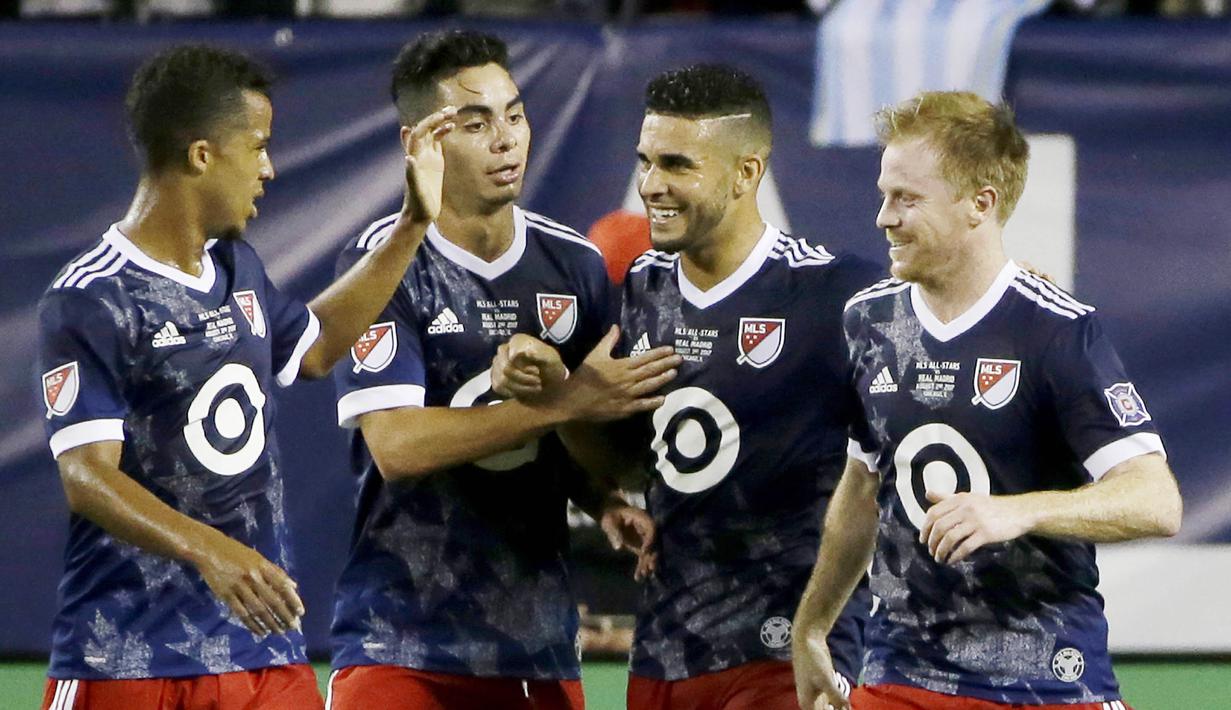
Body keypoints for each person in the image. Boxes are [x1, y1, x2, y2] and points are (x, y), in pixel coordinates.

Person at [35, 44, 456, 709]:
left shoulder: (239, 268)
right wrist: (212, 551)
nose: (269, 168)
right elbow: (88, 477)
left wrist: (412, 224)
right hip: (123, 655)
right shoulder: (90, 297)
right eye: (257, 146)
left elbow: (315, 348)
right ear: (202, 155)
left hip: (260, 650)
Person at [492, 64, 880, 710]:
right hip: (665, 651)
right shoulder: (642, 288)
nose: (650, 186)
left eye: (676, 165)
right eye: (644, 162)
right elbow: (624, 463)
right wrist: (563, 397)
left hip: (786, 655)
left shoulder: (836, 294)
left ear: (745, 173)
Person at [791, 91, 1183, 710]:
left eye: (906, 199)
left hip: (1046, 678)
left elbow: (1156, 500)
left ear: (980, 204)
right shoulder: (869, 320)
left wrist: (1017, 511)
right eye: (884, 194)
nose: (883, 218)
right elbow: (862, 487)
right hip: (903, 673)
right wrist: (812, 627)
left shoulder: (1056, 329)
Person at [324, 30, 679, 710]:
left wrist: (597, 493)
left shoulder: (574, 265)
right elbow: (396, 445)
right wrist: (559, 402)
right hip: (400, 640)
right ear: (419, 144)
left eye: (513, 115)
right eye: (476, 123)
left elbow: (612, 455)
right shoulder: (382, 264)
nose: (506, 139)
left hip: (534, 641)